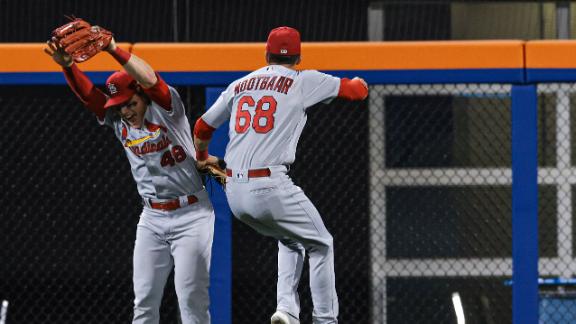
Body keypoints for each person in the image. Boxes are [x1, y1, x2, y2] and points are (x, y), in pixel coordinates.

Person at [193, 26, 368, 324]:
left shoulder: (240, 84)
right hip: (270, 184)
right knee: (321, 243)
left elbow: (202, 127)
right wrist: (359, 81)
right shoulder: (303, 80)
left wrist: (201, 158)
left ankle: (286, 310)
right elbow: (356, 92)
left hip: (234, 192)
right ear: (298, 56)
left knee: (291, 239)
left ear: (266, 54)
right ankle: (326, 319)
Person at [44, 32, 215, 324]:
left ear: (142, 96)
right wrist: (68, 67)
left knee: (192, 301)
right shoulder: (118, 120)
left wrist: (112, 49)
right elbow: (89, 96)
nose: (125, 110)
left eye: (130, 103)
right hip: (152, 218)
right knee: (144, 302)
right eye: (120, 105)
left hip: (192, 215)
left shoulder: (167, 109)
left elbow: (151, 79)